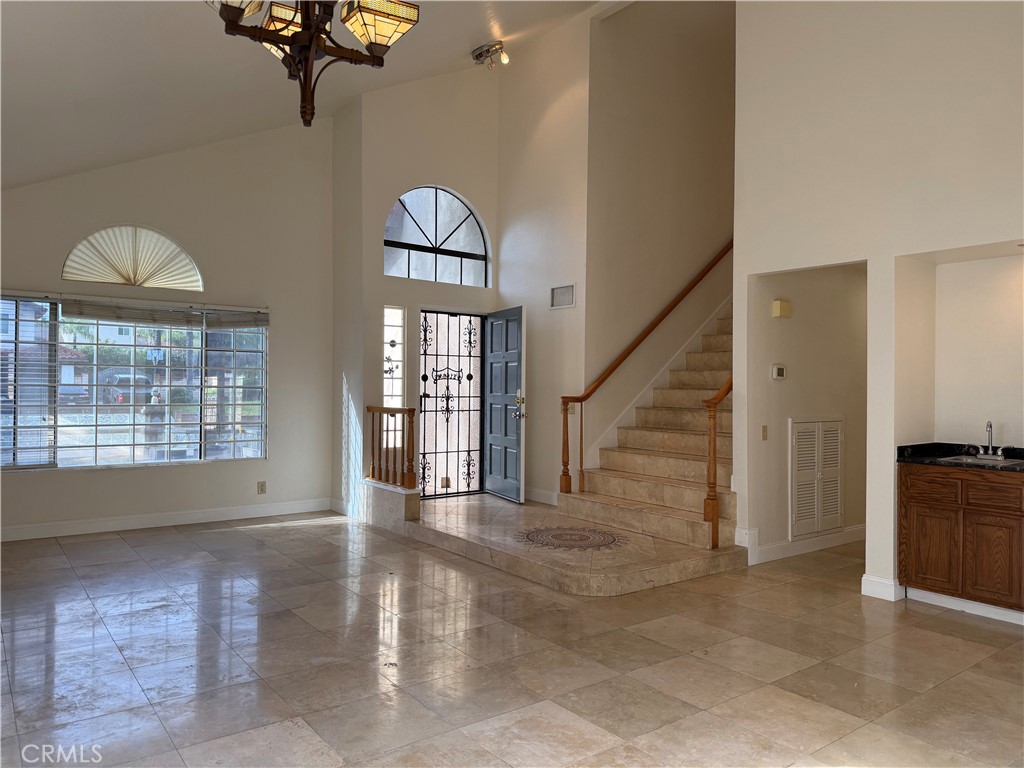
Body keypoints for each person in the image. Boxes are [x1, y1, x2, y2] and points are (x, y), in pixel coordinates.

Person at [144, 389, 165, 460]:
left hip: (157, 430)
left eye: (156, 392)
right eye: (154, 392)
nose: (155, 393)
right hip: (152, 431)